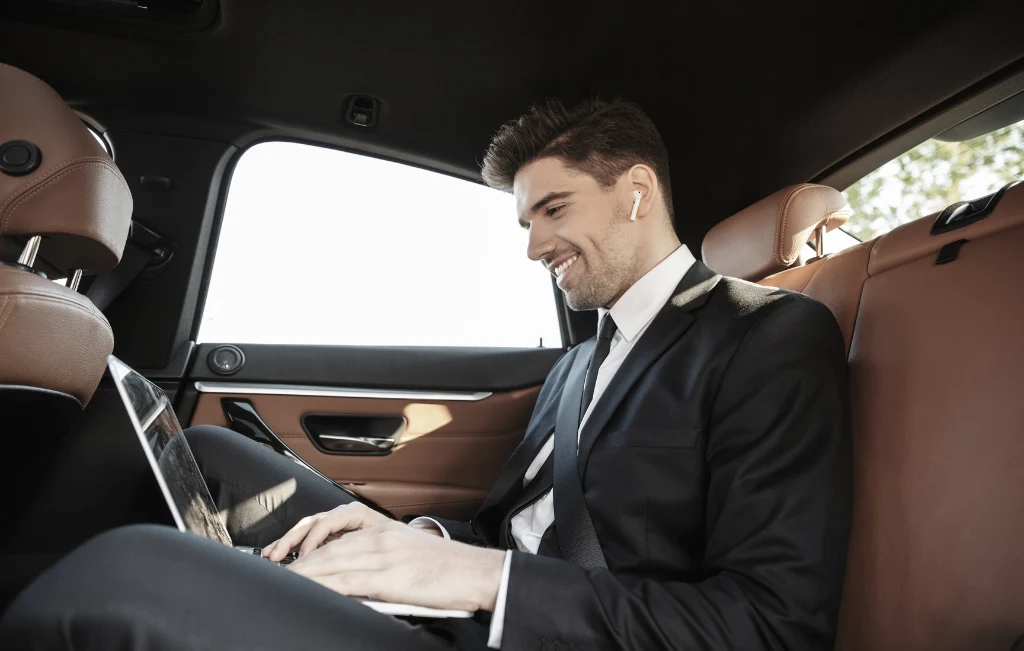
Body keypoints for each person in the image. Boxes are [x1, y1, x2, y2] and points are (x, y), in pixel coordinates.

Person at [0, 99, 852, 651]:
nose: (532, 246)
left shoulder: (767, 334)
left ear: (636, 192)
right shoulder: (580, 363)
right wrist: (428, 547)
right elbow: (515, 526)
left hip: (542, 632)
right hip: (478, 611)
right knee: (212, 462)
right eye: (523, 221)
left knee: (128, 575)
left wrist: (482, 582)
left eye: (553, 210)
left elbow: (769, 625)